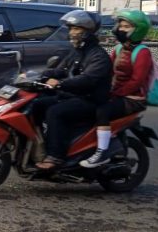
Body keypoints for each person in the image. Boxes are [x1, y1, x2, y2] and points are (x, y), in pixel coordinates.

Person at [34, 10, 112, 170]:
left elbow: (87, 80)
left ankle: (56, 156)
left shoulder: (98, 56)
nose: (72, 33)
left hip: (90, 100)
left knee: (55, 112)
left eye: (76, 29)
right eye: (71, 29)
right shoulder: (77, 52)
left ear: (88, 32)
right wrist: (37, 75)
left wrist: (61, 83)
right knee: (36, 104)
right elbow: (60, 69)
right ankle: (39, 145)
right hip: (73, 96)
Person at [80, 9, 152, 168]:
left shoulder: (143, 52)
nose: (121, 29)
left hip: (133, 99)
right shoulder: (118, 49)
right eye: (121, 25)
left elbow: (137, 81)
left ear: (138, 30)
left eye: (126, 26)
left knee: (103, 111)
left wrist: (115, 93)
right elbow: (107, 69)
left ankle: (102, 152)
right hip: (115, 94)